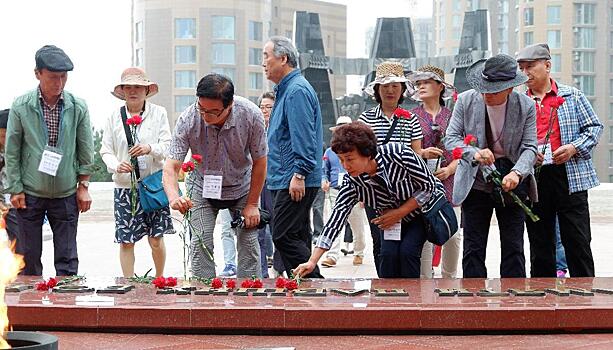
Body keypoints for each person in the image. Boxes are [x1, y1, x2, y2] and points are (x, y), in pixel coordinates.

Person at [293, 122, 445, 278]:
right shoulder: (352, 182)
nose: (345, 165)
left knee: (408, 253)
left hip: (417, 214)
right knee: (386, 257)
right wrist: (312, 261)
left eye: (350, 159)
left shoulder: (398, 154)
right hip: (390, 223)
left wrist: (399, 212)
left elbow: (429, 187)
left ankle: (412, 300)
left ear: (367, 153)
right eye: (340, 160)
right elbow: (336, 218)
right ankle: (388, 299)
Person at [163, 73, 267, 279]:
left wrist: (253, 204)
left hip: (241, 184)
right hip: (202, 186)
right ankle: (204, 295)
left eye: (214, 112)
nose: (206, 116)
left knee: (248, 242)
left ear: (230, 105)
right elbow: (171, 166)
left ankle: (248, 296)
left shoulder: (251, 115)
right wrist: (174, 197)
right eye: (202, 108)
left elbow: (260, 162)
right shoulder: (188, 118)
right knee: (200, 239)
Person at [444, 54, 537, 278]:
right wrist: (474, 153)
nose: (487, 95)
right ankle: (473, 304)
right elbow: (451, 139)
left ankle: (514, 301)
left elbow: (530, 147)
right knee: (473, 248)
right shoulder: (466, 100)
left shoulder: (526, 105)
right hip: (476, 181)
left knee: (514, 247)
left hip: (513, 181)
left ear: (510, 89)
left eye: (494, 91)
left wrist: (518, 173)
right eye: (483, 89)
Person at [5, 45, 95, 276]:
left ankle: (66, 307)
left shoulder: (78, 106)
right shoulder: (21, 105)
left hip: (65, 192)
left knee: (67, 258)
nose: (59, 83)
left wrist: (83, 186)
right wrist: (15, 188)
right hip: (30, 192)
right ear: (38, 73)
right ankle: (32, 310)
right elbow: (12, 150)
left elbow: (85, 149)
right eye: (53, 77)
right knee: (29, 258)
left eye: (63, 77)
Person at [517, 43, 603, 278]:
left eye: (530, 67)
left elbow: (595, 128)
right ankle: (542, 302)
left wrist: (574, 147)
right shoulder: (520, 102)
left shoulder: (572, 95)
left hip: (570, 175)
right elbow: (511, 140)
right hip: (535, 178)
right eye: (522, 68)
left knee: (578, 240)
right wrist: (527, 154)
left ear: (547, 65)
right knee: (539, 244)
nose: (526, 73)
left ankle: (583, 301)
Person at [99, 67, 173, 278]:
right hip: (125, 187)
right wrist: (116, 164)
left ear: (146, 90)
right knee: (126, 240)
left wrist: (150, 148)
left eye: (138, 87)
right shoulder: (114, 118)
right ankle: (129, 282)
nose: (133, 91)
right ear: (122, 90)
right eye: (128, 87)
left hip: (153, 185)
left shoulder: (159, 113)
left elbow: (168, 145)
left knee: (156, 238)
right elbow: (105, 149)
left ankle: (159, 278)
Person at [262, 36, 324, 278]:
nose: (264, 63)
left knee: (282, 234)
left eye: (266, 56)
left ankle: (314, 282)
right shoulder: (285, 90)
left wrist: (299, 173)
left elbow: (305, 137)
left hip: (295, 178)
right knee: (297, 234)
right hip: (284, 177)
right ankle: (304, 293)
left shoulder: (296, 90)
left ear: (283, 58)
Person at [358, 61, 422, 276]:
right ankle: (385, 288)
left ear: (403, 89)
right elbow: (360, 156)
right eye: (385, 85)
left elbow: (417, 154)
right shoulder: (365, 119)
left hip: (406, 193)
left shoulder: (411, 119)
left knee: (406, 249)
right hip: (376, 193)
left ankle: (409, 295)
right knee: (382, 246)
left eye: (395, 85)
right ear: (377, 89)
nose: (390, 90)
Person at [407, 65, 461, 278]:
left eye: (426, 82)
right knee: (425, 234)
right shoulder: (411, 117)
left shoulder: (454, 115)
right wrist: (421, 154)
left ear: (440, 87)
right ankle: (425, 282)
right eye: (418, 83)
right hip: (421, 184)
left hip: (449, 182)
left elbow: (464, 150)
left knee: (453, 234)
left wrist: (449, 169)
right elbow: (406, 153)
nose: (421, 87)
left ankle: (450, 279)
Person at [320, 116, 366, 267]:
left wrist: (364, 194)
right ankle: (332, 256)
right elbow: (324, 169)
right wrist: (324, 180)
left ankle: (359, 253)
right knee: (334, 223)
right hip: (335, 190)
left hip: (356, 190)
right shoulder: (329, 151)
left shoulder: (359, 150)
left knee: (357, 225)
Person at [257, 92, 276, 278]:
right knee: (258, 230)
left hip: (276, 183)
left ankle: (279, 267)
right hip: (258, 184)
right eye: (262, 107)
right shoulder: (256, 128)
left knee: (278, 229)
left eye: (268, 107)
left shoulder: (280, 129)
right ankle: (261, 272)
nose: (264, 111)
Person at [0, 108, 20, 254]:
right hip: (2, 204)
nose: (5, 140)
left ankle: (23, 276)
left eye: (7, 135)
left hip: (14, 205)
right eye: (1, 136)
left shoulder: (21, 151)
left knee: (21, 245)